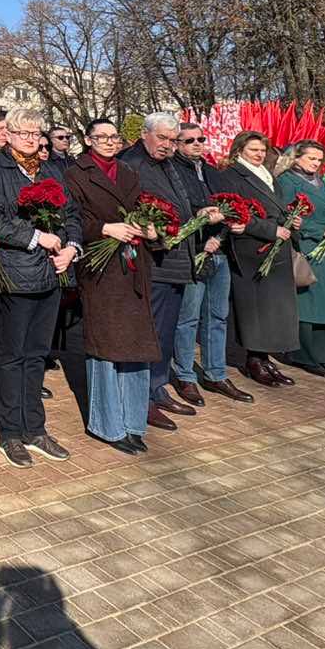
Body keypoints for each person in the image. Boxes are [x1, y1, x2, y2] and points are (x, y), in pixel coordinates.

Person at [0, 108, 81, 467]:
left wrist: (71, 248)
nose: (30, 139)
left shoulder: (51, 169)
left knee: (38, 354)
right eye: (22, 132)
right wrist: (37, 237)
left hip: (52, 273)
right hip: (16, 275)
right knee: (12, 357)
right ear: (7, 135)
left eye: (35, 133)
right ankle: (10, 432)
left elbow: (72, 214)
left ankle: (35, 428)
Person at [63, 117, 156, 454]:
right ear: (88, 140)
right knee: (105, 347)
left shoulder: (128, 171)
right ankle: (108, 425)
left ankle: (133, 422)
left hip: (133, 265)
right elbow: (71, 218)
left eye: (113, 136)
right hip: (101, 268)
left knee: (137, 346)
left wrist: (152, 227)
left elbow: (144, 207)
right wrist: (104, 228)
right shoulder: (75, 174)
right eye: (100, 136)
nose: (108, 141)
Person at [118, 113, 211, 429]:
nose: (168, 145)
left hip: (175, 259)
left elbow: (177, 204)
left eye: (173, 140)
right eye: (162, 138)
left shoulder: (167, 163)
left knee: (166, 331)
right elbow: (127, 208)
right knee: (151, 331)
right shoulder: (131, 163)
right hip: (151, 262)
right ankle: (141, 397)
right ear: (145, 134)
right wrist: (150, 229)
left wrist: (198, 213)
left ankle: (158, 388)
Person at [171, 122, 252, 404]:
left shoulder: (212, 171)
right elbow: (176, 212)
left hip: (219, 250)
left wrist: (224, 232)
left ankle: (215, 373)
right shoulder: (173, 171)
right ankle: (185, 375)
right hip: (193, 250)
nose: (197, 144)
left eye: (201, 139)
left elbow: (231, 205)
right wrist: (200, 234)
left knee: (217, 316)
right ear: (177, 144)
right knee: (188, 318)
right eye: (189, 140)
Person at [216, 131, 300, 388]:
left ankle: (264, 357)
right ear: (239, 150)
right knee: (255, 309)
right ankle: (253, 359)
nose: (259, 154)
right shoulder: (231, 175)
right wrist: (270, 230)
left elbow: (276, 206)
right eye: (254, 150)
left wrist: (291, 220)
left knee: (272, 309)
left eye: (263, 150)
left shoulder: (267, 174)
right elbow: (234, 212)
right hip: (252, 250)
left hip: (276, 247)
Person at [273, 140, 325, 377]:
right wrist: (320, 230)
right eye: (311, 158)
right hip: (307, 248)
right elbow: (287, 216)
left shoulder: (319, 181)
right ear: (296, 158)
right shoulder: (287, 181)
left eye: (319, 159)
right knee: (308, 303)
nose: (316, 163)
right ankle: (302, 355)